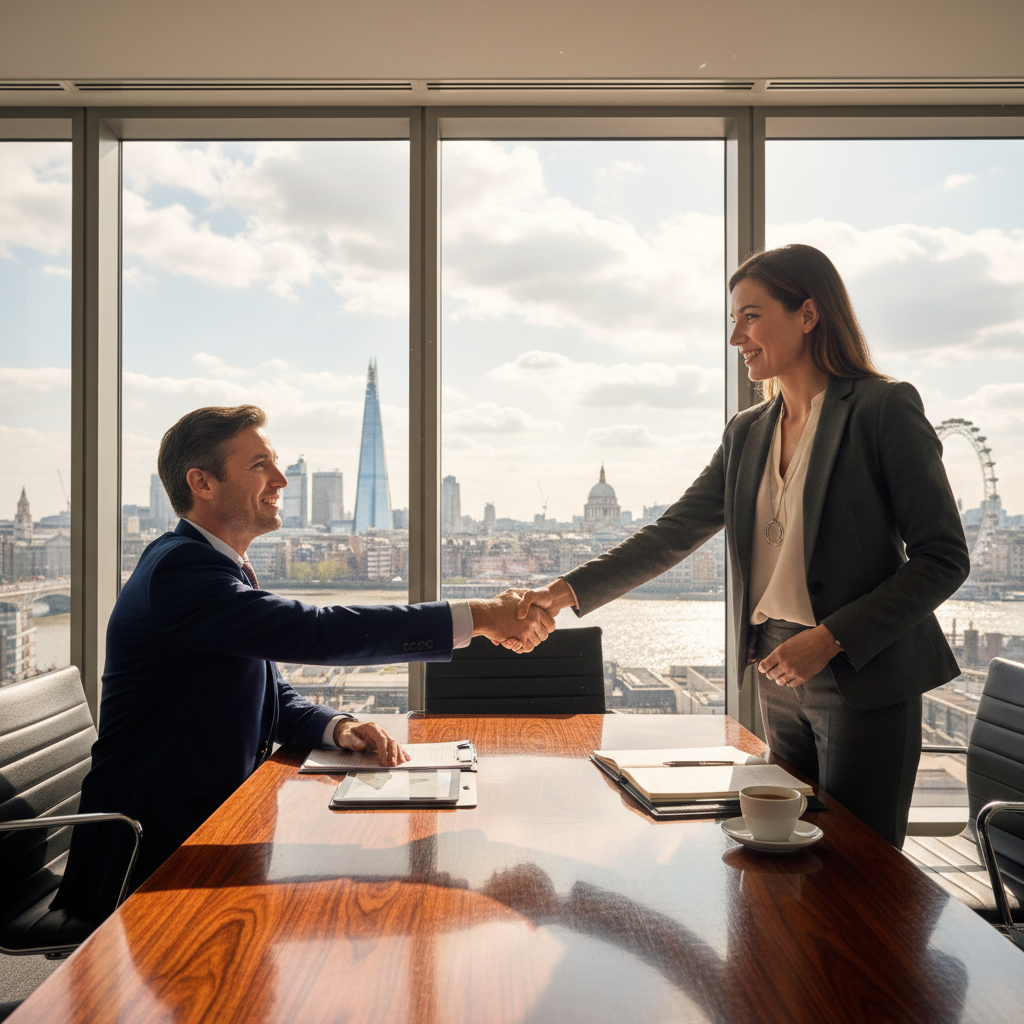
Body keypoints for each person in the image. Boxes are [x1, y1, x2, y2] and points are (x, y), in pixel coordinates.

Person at [516, 244, 970, 848]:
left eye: (750, 317)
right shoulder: (747, 430)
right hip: (776, 666)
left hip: (861, 667)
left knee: (862, 866)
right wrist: (562, 593)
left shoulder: (883, 409)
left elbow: (944, 557)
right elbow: (674, 532)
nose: (737, 338)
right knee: (785, 853)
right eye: (734, 320)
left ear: (808, 314)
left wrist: (830, 639)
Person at [55, 405, 554, 919]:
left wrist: (338, 726)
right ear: (201, 482)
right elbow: (319, 632)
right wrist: (481, 616)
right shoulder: (180, 574)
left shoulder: (211, 567)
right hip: (152, 857)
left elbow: (268, 692)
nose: (282, 479)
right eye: (259, 466)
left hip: (215, 828)